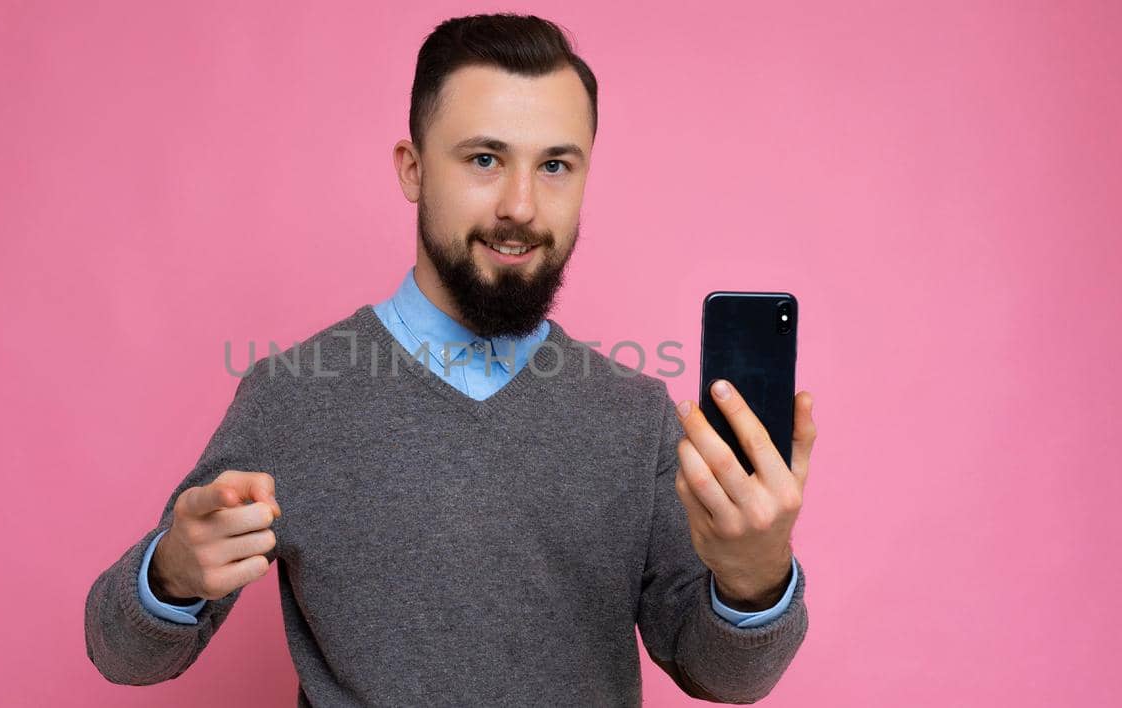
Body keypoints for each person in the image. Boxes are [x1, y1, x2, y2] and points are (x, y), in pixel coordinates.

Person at [85, 13, 818, 706]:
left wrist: (754, 582)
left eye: (556, 164)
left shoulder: (636, 417)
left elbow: (721, 676)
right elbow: (123, 654)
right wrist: (174, 573)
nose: (522, 205)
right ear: (412, 169)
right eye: (485, 158)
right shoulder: (291, 398)